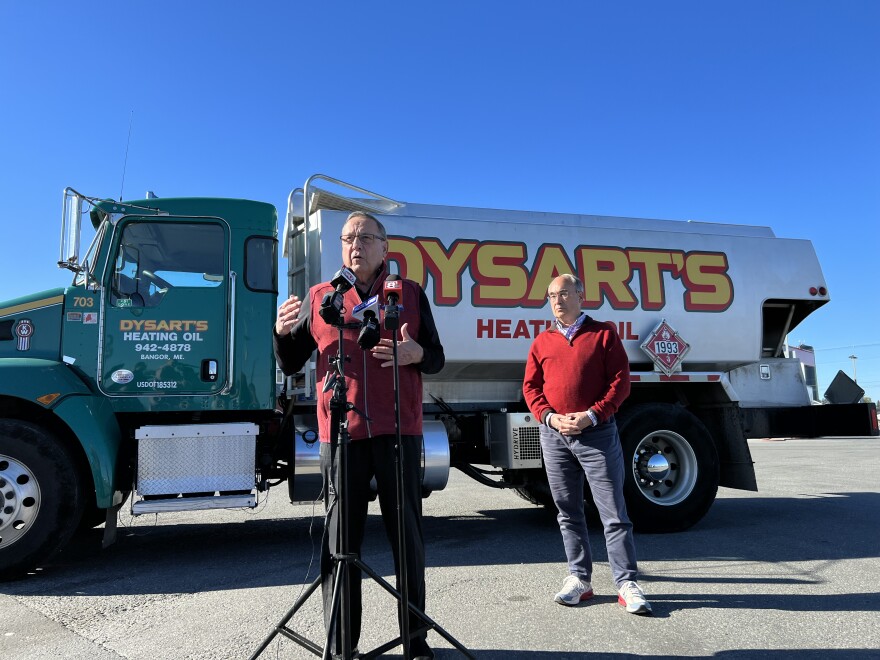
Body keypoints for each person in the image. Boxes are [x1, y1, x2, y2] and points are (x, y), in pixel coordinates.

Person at [274, 211, 445, 659]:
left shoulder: (408, 294)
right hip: (341, 435)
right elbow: (291, 362)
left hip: (397, 431)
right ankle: (341, 644)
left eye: (366, 237)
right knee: (340, 545)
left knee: (406, 539)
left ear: (385, 248)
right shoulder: (321, 296)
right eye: (349, 238)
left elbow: (437, 358)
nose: (356, 244)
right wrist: (280, 333)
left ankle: (415, 641)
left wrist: (415, 353)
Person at [522, 273, 652, 616]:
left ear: (581, 296)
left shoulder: (604, 333)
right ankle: (580, 579)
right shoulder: (542, 342)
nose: (557, 301)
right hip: (555, 437)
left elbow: (620, 383)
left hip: (596, 434)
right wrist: (550, 418)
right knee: (567, 511)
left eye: (564, 293)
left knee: (613, 511)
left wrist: (592, 416)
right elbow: (531, 389)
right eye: (551, 295)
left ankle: (626, 583)